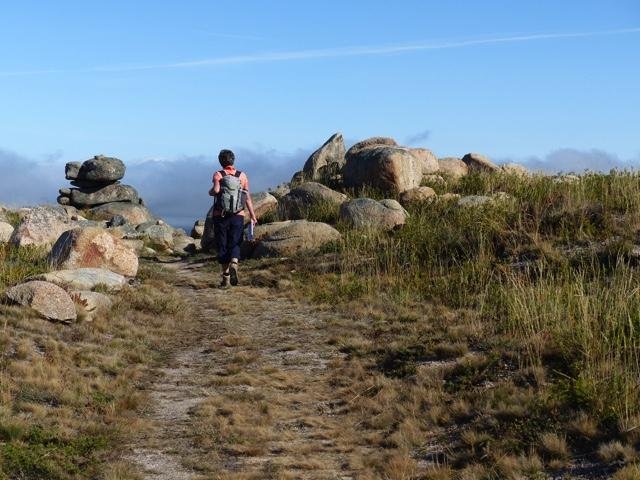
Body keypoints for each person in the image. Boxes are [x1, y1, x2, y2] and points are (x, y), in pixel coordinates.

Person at [209, 149, 257, 288]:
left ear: (221, 161)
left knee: (222, 244)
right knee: (236, 242)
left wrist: (210, 192)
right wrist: (253, 216)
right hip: (238, 215)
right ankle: (234, 263)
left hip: (221, 215)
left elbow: (216, 190)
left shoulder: (218, 174)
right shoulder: (242, 176)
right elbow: (246, 197)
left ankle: (226, 278)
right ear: (233, 160)